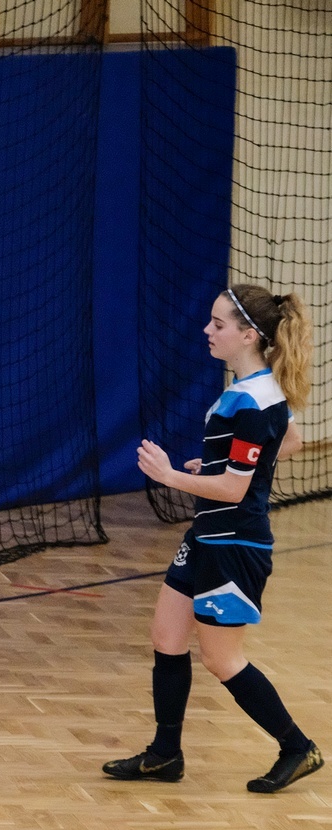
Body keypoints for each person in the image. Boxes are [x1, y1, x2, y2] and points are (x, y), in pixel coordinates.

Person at [104, 284, 320, 793]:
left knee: (222, 659)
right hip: (206, 535)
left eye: (218, 324)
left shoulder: (254, 401)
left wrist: (171, 476)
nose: (207, 330)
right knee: (166, 638)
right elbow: (289, 440)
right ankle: (165, 755)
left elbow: (234, 489)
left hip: (236, 547)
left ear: (248, 335)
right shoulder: (252, 388)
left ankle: (298, 747)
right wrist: (222, 464)